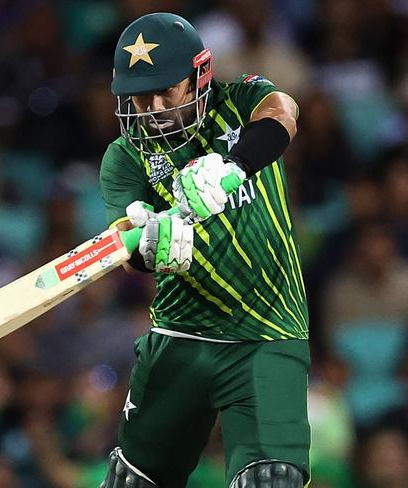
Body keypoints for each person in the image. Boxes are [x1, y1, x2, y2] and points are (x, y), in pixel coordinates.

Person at [98, 13, 309, 488]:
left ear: (200, 77)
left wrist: (232, 166)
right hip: (180, 336)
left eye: (164, 93)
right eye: (138, 95)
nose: (150, 109)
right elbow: (126, 245)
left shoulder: (243, 99)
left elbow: (283, 116)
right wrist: (147, 248)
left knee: (271, 480)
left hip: (267, 333)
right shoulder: (123, 158)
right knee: (131, 483)